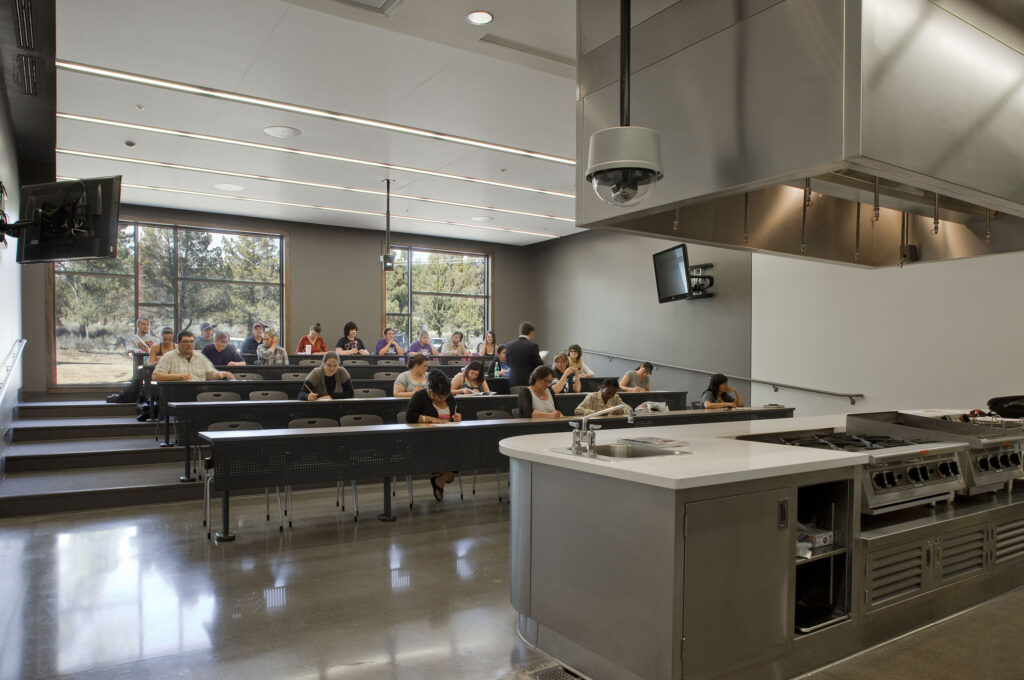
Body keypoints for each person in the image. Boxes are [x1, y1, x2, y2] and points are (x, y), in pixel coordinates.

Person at [404, 370, 461, 501]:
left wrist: (458, 416)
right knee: (452, 455)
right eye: (441, 396)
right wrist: (431, 419)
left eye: (446, 395)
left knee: (463, 449)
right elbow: (410, 416)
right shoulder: (419, 396)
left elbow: (457, 411)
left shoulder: (448, 396)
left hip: (449, 439)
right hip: (427, 441)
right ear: (432, 391)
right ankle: (444, 476)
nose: (444, 398)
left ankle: (440, 479)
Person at [152, 330, 234, 382]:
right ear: (179, 343)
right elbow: (156, 376)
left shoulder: (200, 357)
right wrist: (177, 377)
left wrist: (221, 374)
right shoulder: (168, 357)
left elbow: (211, 373)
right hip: (177, 393)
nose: (189, 344)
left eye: (191, 342)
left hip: (199, 393)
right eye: (185, 342)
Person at [506, 321, 543, 386]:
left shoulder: (509, 345)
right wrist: (541, 359)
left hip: (513, 382)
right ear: (531, 332)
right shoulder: (533, 346)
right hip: (528, 381)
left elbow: (508, 363)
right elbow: (538, 365)